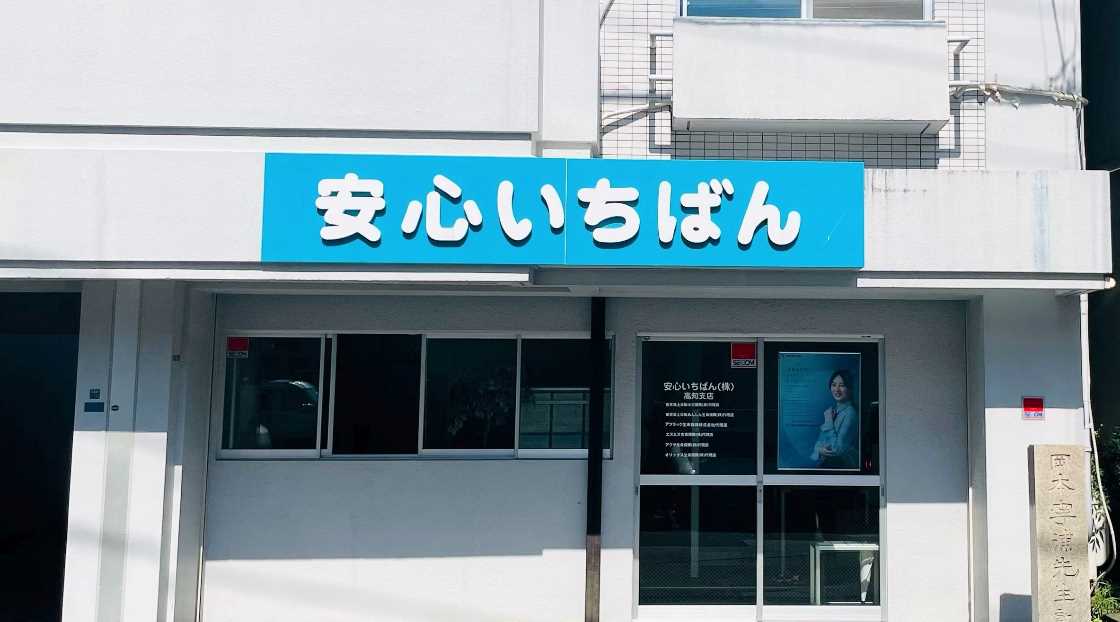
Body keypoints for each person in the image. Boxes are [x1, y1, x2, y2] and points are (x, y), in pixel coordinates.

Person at [810, 369, 859, 468]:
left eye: (842, 385)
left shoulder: (850, 413)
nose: (836, 389)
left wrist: (829, 421)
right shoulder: (832, 411)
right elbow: (819, 442)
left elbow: (837, 449)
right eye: (834, 385)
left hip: (843, 467)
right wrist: (819, 450)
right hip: (829, 465)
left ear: (850, 388)